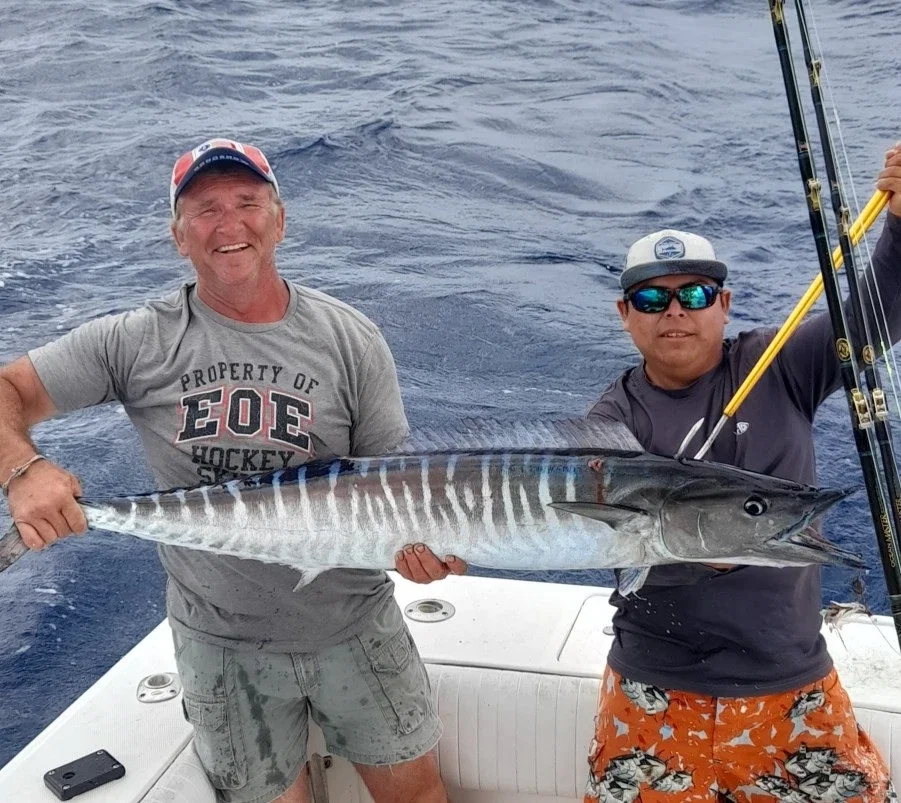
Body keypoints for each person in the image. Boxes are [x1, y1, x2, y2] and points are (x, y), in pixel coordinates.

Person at [0, 137, 465, 803]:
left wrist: (421, 550)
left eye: (247, 203)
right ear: (178, 236)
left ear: (280, 221)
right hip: (220, 645)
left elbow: (392, 490)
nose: (229, 224)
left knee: (415, 793)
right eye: (205, 210)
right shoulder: (136, 339)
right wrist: (23, 469)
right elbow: (7, 389)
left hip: (355, 627)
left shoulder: (350, 337)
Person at [584, 143, 901, 803]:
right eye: (651, 297)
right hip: (652, 689)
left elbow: (876, 314)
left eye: (695, 293)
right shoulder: (611, 421)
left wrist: (898, 224)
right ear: (625, 315)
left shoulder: (779, 363)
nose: (674, 311)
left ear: (723, 303)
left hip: (789, 683)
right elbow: (603, 543)